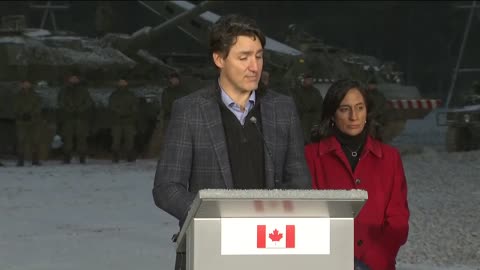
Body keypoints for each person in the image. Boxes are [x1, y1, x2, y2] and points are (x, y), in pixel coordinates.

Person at [152, 14, 310, 270]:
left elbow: (300, 181)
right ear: (219, 59)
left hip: (271, 251)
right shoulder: (190, 110)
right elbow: (166, 187)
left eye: (258, 56)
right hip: (209, 250)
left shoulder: (282, 108)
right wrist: (211, 217)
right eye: (244, 57)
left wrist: (276, 221)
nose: (254, 66)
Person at [304, 79, 409, 270]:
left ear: (367, 112)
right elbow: (308, 219)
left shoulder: (390, 158)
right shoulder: (311, 157)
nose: (354, 116)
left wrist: (373, 260)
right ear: (332, 115)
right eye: (345, 109)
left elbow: (398, 221)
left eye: (359, 108)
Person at [57, 72, 94, 164]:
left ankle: (82, 157)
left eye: (75, 78)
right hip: (68, 117)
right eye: (72, 78)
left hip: (81, 117)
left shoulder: (84, 90)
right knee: (67, 138)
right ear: (69, 79)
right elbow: (61, 102)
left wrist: (80, 109)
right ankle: (67, 157)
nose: (74, 80)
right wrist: (69, 109)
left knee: (82, 138)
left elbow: (88, 102)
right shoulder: (64, 90)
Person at [108, 78, 138, 162]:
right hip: (116, 121)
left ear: (127, 83)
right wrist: (120, 112)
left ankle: (130, 157)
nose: (122, 83)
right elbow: (111, 106)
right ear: (118, 83)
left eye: (124, 82)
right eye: (120, 82)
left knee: (129, 140)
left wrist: (128, 113)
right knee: (116, 140)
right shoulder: (114, 95)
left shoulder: (131, 94)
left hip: (129, 121)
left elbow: (135, 106)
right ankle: (115, 157)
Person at [14, 79, 43, 166]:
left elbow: (38, 107)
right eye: (24, 84)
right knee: (21, 140)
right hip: (21, 121)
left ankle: (35, 160)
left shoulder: (36, 95)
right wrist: (22, 114)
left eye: (28, 84)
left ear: (30, 85)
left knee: (35, 140)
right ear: (22, 85)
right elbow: (15, 107)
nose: (26, 85)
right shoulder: (17, 95)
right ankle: (20, 160)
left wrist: (31, 114)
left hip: (34, 121)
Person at [291, 71, 323, 144]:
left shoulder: (316, 92)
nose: (309, 81)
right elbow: (297, 105)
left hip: (315, 118)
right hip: (303, 118)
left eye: (310, 79)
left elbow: (320, 105)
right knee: (303, 138)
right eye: (307, 79)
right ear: (304, 80)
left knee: (314, 137)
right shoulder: (298, 91)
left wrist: (318, 119)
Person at [158, 71, 190, 137]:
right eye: (171, 79)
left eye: (174, 79)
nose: (172, 81)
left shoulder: (184, 91)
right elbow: (165, 106)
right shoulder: (166, 91)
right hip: (169, 118)